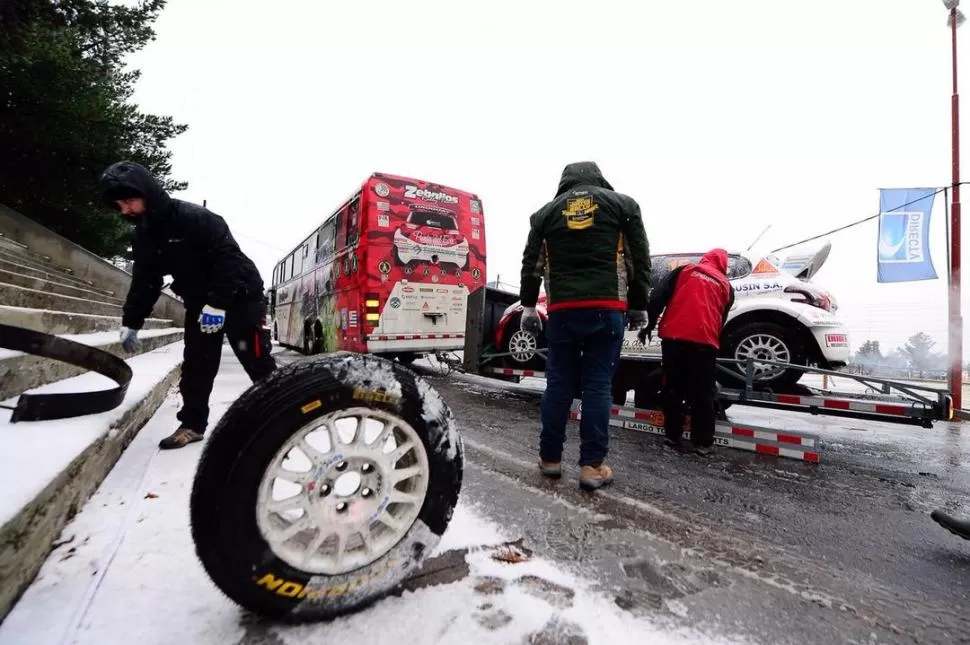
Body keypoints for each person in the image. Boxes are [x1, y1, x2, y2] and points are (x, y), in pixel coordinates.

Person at [98, 161, 277, 449]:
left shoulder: (197, 218)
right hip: (199, 300)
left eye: (129, 201)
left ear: (147, 192)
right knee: (197, 364)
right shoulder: (143, 235)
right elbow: (145, 280)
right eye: (120, 204)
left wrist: (218, 304)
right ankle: (193, 424)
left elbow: (228, 260)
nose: (125, 210)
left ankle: (283, 415)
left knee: (255, 360)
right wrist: (131, 321)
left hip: (241, 296)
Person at [519, 161, 651, 491]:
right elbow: (639, 258)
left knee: (559, 383)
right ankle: (592, 467)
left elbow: (532, 263)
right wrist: (639, 304)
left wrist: (527, 305)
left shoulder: (545, 215)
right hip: (607, 308)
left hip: (562, 309)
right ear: (599, 178)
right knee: (597, 385)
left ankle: (550, 459)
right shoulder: (623, 206)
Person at [639, 249, 734, 456]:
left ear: (705, 259)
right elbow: (720, 319)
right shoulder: (726, 286)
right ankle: (703, 443)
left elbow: (656, 298)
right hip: (705, 342)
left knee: (672, 388)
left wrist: (649, 324)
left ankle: (672, 436)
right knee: (702, 392)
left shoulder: (686, 270)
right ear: (723, 266)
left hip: (675, 337)